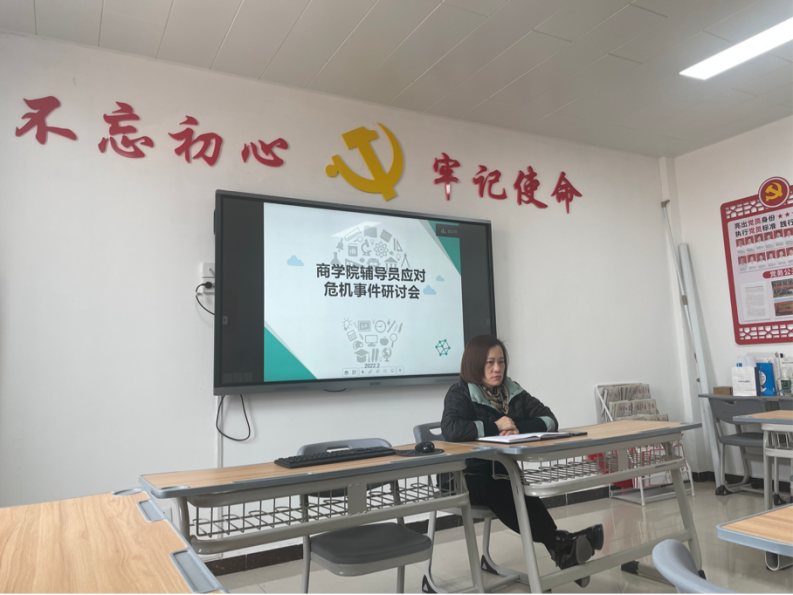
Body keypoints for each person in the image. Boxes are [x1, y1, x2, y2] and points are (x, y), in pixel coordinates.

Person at [441, 335, 604, 587]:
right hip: (464, 477)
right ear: (474, 364)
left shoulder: (511, 391)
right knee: (504, 486)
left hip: (501, 472)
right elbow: (451, 429)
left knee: (515, 486)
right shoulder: (460, 392)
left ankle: (563, 549)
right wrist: (495, 425)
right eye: (490, 363)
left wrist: (515, 426)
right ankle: (562, 545)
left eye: (501, 362)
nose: (497, 368)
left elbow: (550, 420)